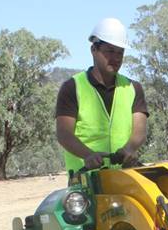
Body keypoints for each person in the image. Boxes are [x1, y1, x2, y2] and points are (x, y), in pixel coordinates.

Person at [55, 17, 148, 172]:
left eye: (120, 52)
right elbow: (64, 133)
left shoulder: (133, 89)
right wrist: (88, 155)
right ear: (94, 49)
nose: (116, 58)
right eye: (110, 51)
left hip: (124, 179)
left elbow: (140, 131)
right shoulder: (72, 88)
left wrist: (129, 148)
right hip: (85, 182)